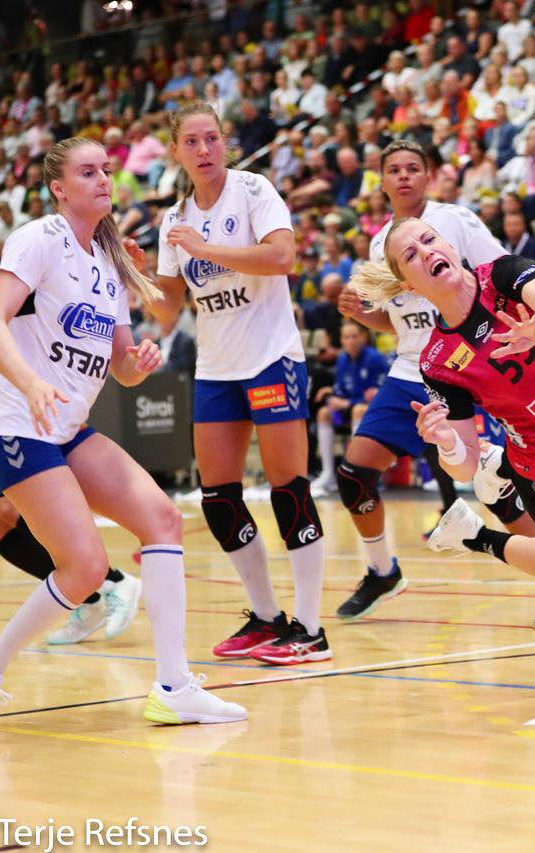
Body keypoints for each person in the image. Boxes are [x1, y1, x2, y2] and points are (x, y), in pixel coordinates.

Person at [0, 137, 246, 733]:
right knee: (83, 568)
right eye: (88, 172)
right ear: (59, 188)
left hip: (68, 428)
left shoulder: (110, 263)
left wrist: (140, 362)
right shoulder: (38, 238)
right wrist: (31, 383)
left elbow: (122, 370)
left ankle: (174, 687)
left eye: (106, 170)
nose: (104, 179)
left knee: (162, 520)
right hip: (15, 426)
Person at [334, 141, 535, 629]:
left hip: (468, 369)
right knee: (354, 474)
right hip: (412, 369)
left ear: (429, 177)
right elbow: (399, 323)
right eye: (394, 170)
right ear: (381, 181)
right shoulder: (380, 245)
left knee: (497, 488)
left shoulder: (455, 221)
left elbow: (504, 279)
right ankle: (382, 572)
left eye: (413, 168)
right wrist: (364, 315)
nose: (404, 176)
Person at [351, 221, 535, 605]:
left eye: (429, 239)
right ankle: (475, 535)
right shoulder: (438, 362)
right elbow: (463, 466)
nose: (426, 251)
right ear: (409, 285)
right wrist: (446, 442)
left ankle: (502, 466)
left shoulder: (503, 275)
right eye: (411, 255)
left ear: (450, 245)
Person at [0, 192, 142, 647]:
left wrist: (41, 379)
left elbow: (36, 315)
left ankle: (104, 584)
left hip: (15, 401)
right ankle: (96, 591)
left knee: (3, 513)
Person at [150, 103, 328, 666]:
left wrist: (205, 249)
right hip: (217, 368)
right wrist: (136, 274)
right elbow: (167, 309)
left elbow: (282, 257)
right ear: (176, 152)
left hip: (271, 359)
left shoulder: (253, 191)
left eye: (211, 138)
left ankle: (311, 629)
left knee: (288, 489)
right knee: (218, 499)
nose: (203, 150)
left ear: (225, 142)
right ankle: (268, 616)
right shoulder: (174, 218)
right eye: (191, 142)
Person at [312, 320, 389, 493]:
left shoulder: (375, 358)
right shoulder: (342, 360)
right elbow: (341, 389)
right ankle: (328, 474)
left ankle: (358, 471)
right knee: (323, 413)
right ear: (341, 340)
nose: (351, 341)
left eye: (354, 336)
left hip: (374, 412)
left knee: (358, 410)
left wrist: (348, 403)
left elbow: (379, 394)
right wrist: (332, 395)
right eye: (346, 337)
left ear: (363, 337)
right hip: (350, 407)